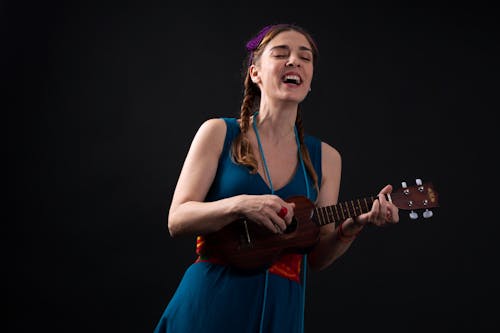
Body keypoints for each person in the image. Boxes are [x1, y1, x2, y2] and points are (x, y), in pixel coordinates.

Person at [153, 23, 399, 333]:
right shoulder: (218, 132)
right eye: (281, 54)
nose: (294, 61)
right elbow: (177, 219)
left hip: (281, 310)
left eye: (305, 57)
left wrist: (351, 227)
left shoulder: (328, 158)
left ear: (309, 80)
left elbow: (319, 257)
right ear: (255, 73)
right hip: (210, 303)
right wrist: (240, 204)